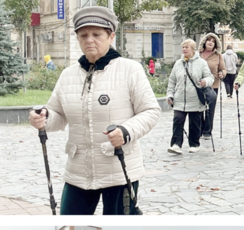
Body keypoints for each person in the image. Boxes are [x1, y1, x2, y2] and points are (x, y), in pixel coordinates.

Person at [28, 6, 160, 215]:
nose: (89, 39)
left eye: (97, 34)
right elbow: (58, 115)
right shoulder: (68, 75)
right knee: (68, 227)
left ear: (111, 36)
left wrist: (126, 132)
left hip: (119, 167)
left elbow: (151, 111)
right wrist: (44, 118)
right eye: (84, 35)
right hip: (78, 171)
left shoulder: (129, 69)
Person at [166, 39, 213, 155]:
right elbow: (172, 81)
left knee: (194, 123)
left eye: (186, 47)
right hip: (179, 99)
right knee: (177, 120)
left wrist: (205, 82)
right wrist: (170, 95)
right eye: (183, 47)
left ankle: (194, 144)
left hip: (195, 99)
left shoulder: (201, 63)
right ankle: (176, 144)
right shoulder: (178, 63)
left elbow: (210, 77)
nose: (184, 49)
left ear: (193, 49)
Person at [198, 33, 226, 140]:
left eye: (213, 41)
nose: (210, 42)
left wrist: (222, 73)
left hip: (213, 85)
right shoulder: (198, 54)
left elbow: (223, 69)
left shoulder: (218, 55)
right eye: (208, 40)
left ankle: (207, 131)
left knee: (210, 109)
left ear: (215, 44)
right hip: (199, 85)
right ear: (204, 42)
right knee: (199, 108)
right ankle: (199, 129)